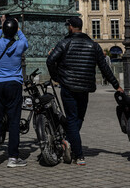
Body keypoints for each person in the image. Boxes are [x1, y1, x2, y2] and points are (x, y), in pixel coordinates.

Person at [46, 16, 122, 166]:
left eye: (68, 26)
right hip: (84, 88)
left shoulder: (65, 43)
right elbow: (104, 67)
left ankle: (78, 154)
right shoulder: (93, 45)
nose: (67, 27)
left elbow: (50, 60)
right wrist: (116, 85)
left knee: (73, 119)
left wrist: (57, 77)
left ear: (71, 27)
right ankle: (69, 140)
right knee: (79, 117)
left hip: (68, 87)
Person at [0, 15, 29, 168]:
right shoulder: (19, 45)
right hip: (14, 84)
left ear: (3, 30)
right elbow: (25, 41)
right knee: (13, 121)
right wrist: (18, 28)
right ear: (15, 31)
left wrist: (2, 24)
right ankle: (13, 157)